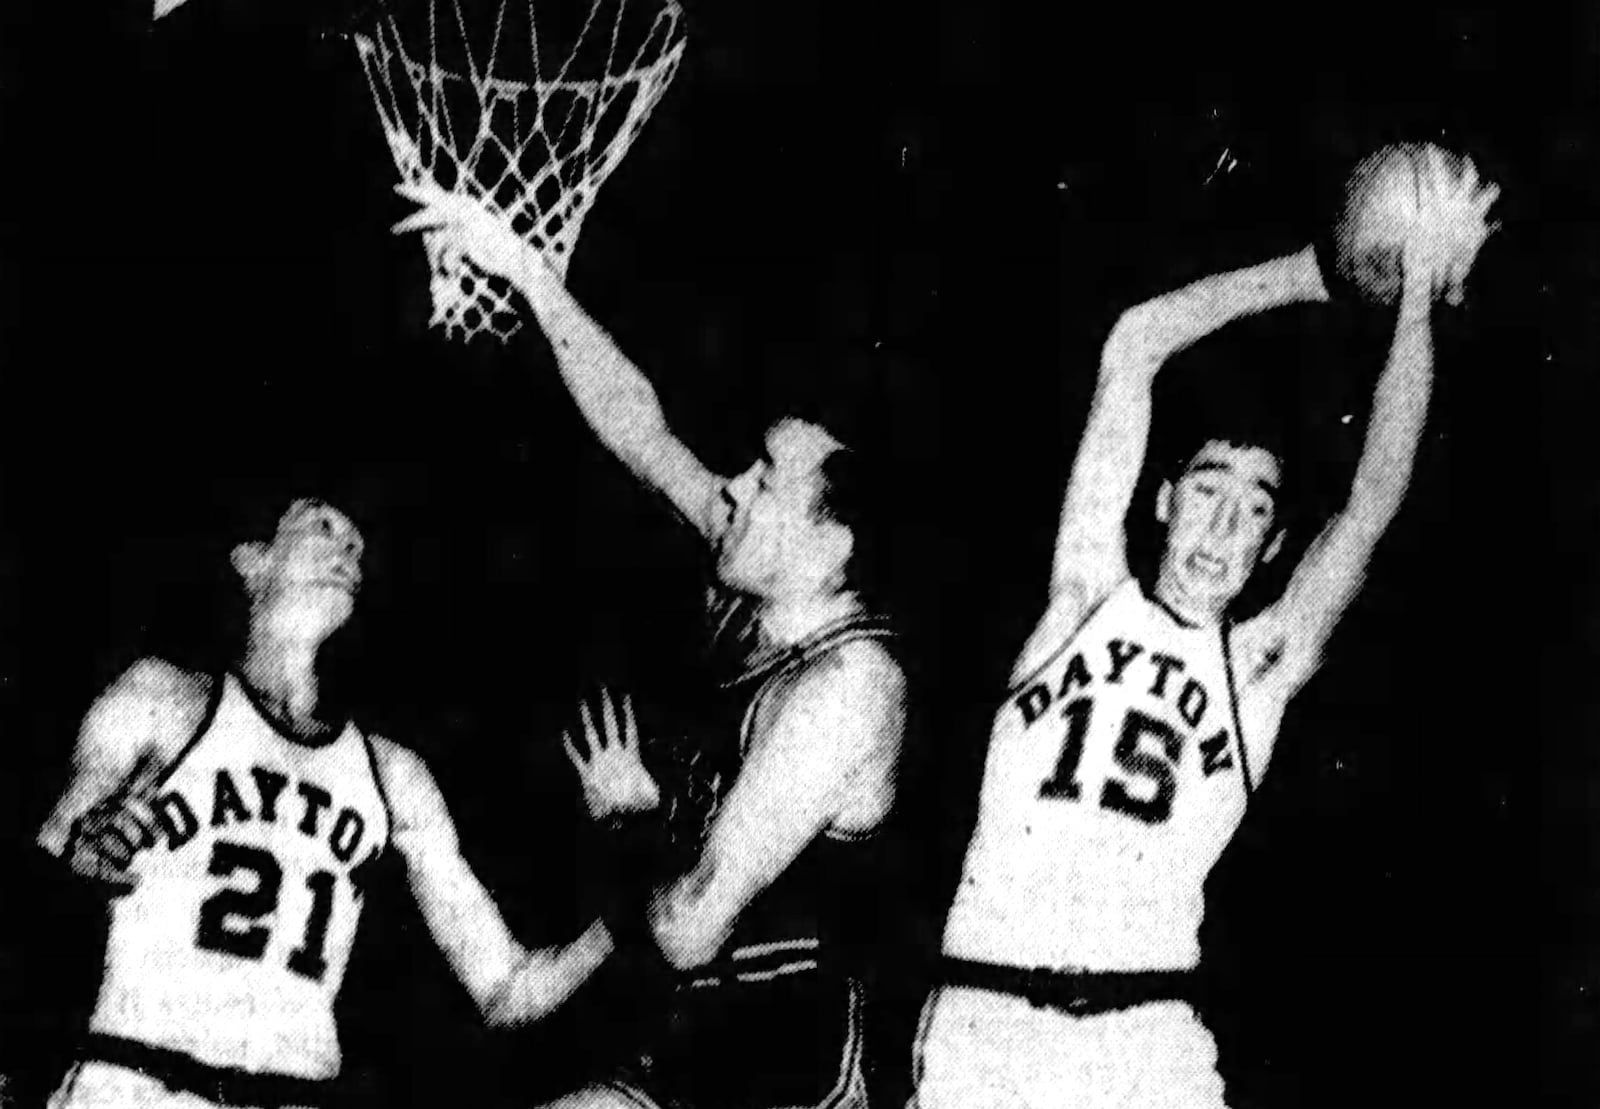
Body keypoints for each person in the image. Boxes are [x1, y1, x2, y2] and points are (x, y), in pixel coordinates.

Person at [907, 143, 1499, 1107]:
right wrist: (1315, 272)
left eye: (1254, 508)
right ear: (1162, 500)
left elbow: (1374, 494)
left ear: (1272, 550)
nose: (1223, 524)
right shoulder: (1083, 595)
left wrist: (1418, 293)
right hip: (990, 1024)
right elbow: (1136, 343)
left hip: (1149, 1040)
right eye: (1207, 492)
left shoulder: (1257, 663)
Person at [398, 186, 908, 1109]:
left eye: (766, 481)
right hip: (695, 1044)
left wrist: (631, 823)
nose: (736, 487)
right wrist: (527, 273)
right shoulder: (761, 585)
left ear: (830, 547)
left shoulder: (848, 685)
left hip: (788, 1071)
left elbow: (687, 929)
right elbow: (640, 428)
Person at [37, 497, 614, 1109]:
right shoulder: (161, 696)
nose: (347, 550)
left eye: (358, 547)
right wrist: (79, 853)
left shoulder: (393, 775)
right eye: (323, 527)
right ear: (253, 560)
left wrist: (627, 921)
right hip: (135, 1084)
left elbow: (505, 987)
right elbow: (51, 852)